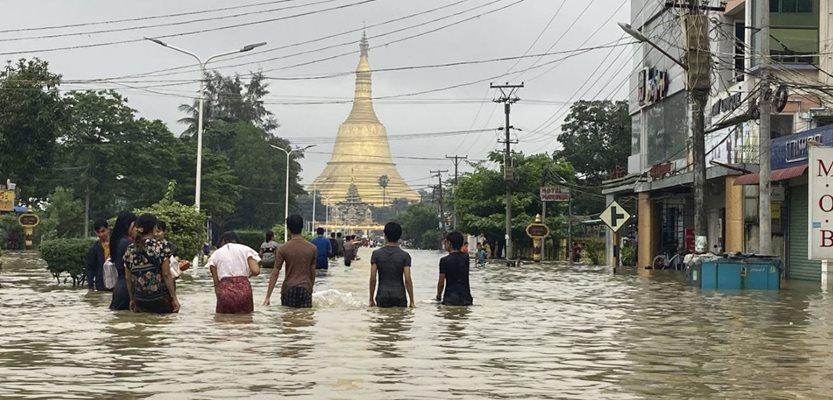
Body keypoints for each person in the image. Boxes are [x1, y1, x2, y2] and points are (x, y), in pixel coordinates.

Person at [123, 213, 180, 313]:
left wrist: (132, 299)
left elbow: (128, 278)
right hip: (161, 298)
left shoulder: (130, 249)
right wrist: (174, 297)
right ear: (154, 227)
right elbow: (166, 275)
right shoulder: (161, 246)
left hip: (140, 299)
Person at [263, 215, 317, 308]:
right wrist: (310, 288)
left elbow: (275, 272)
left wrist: (268, 296)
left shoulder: (282, 248)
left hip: (288, 289)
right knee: (305, 319)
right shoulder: (312, 248)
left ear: (288, 229)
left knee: (288, 319)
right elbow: (312, 272)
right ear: (302, 227)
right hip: (305, 289)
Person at [206, 231, 261, 314]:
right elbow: (256, 271)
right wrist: (245, 277)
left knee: (223, 322)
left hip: (225, 290)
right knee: (246, 321)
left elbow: (216, 282)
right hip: (244, 289)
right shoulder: (246, 250)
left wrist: (220, 297)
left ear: (224, 241)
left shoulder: (215, 254)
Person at [369, 222, 415, 308]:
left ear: (385, 235)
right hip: (399, 295)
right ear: (399, 236)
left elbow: (373, 278)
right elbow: (408, 279)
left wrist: (371, 299)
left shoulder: (376, 254)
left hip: (382, 295)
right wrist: (412, 301)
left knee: (382, 319)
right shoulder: (405, 255)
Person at [436, 231, 473, 306]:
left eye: (445, 242)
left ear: (449, 243)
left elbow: (441, 282)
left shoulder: (444, 260)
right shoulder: (466, 257)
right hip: (466, 298)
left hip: (450, 299)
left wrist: (438, 296)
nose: (444, 244)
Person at [109, 211, 137, 310]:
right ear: (128, 226)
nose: (136, 229)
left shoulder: (118, 240)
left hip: (119, 287)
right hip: (126, 288)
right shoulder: (127, 243)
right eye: (135, 226)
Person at [85, 219, 109, 291]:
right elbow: (90, 268)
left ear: (108, 229)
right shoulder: (94, 249)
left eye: (103, 231)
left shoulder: (116, 245)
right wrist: (90, 286)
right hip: (101, 284)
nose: (101, 234)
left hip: (116, 283)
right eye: (98, 232)